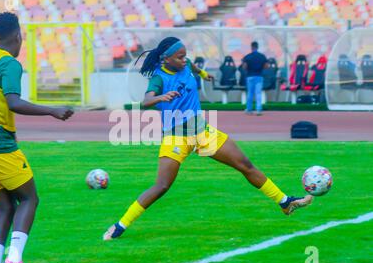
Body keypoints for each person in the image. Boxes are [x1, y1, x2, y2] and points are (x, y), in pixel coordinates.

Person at [103, 37, 313, 241]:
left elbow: (192, 66)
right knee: (162, 186)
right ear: (166, 59)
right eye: (179, 57)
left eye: (185, 56)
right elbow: (147, 99)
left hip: (202, 132)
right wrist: (160, 97)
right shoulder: (159, 78)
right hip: (176, 138)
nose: (184, 60)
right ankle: (120, 226)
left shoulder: (184, 64)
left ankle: (285, 202)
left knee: (245, 165)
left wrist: (203, 73)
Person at [0, 12, 74, 263]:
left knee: (5, 207)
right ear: (17, 35)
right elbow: (13, 102)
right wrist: (53, 111)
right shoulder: (10, 64)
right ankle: (14, 260)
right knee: (29, 198)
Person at [242, 41, 268, 116]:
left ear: (251, 47)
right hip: (259, 76)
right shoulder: (262, 56)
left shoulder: (247, 56)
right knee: (258, 93)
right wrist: (260, 68)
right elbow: (266, 66)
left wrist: (249, 69)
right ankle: (258, 110)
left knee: (250, 93)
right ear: (257, 47)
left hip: (250, 76)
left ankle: (249, 110)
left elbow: (244, 67)